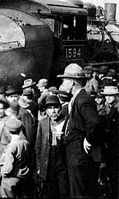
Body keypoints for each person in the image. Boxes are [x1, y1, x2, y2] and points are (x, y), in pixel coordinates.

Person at [58, 63, 102, 198]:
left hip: (79, 155)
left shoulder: (83, 99)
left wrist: (88, 139)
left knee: (80, 192)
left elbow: (93, 122)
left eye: (64, 81)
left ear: (72, 82)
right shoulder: (77, 98)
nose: (63, 84)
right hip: (74, 154)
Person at [35, 95, 69, 198]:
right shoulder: (43, 123)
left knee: (64, 189)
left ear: (60, 108)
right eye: (50, 108)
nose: (53, 111)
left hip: (63, 159)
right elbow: (38, 146)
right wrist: (39, 166)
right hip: (48, 159)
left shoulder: (67, 121)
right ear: (46, 110)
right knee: (50, 190)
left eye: (56, 107)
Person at [0, 117, 30, 198]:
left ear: (7, 131)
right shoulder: (25, 143)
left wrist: (2, 173)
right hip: (22, 177)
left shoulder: (11, 147)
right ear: (20, 130)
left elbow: (8, 168)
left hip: (10, 180)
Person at [99, 85, 119, 198]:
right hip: (109, 146)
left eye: (111, 95)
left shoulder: (117, 108)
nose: (108, 98)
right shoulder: (105, 108)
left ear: (116, 96)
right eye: (106, 96)